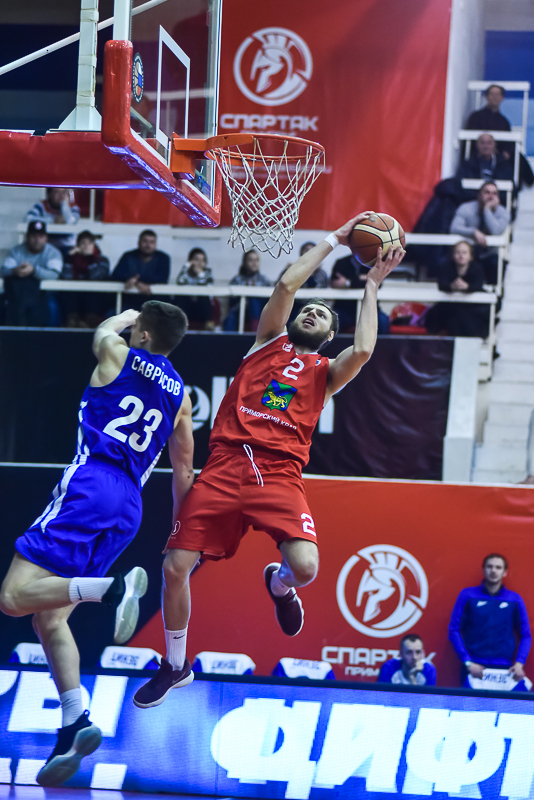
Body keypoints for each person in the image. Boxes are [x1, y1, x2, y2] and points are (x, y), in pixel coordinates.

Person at [133, 212, 405, 708]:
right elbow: (285, 285)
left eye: (322, 315)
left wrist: (371, 285)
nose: (312, 313)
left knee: (305, 567)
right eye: (309, 309)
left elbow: (364, 349)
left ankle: (279, 587)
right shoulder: (266, 342)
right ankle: (174, 665)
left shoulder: (326, 372)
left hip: (279, 474)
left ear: (329, 336)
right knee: (174, 567)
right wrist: (334, 239)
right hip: (224, 466)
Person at [0, 301, 194, 785]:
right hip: (130, 506)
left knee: (11, 598)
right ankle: (74, 723)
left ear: (143, 335)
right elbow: (185, 471)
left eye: (137, 330)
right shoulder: (182, 397)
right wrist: (180, 530)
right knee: (49, 618)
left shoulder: (118, 352)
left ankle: (109, 590)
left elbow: (103, 329)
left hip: (90, 483)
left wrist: (126, 315)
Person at [448, 553, 531, 690]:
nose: (493, 571)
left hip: (505, 669)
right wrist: (467, 662)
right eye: (489, 566)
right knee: (470, 705)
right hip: (474, 667)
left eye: (498, 567)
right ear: (483, 570)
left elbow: (526, 635)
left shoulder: (514, 599)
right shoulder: (467, 595)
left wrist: (519, 663)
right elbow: (453, 630)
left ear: (505, 572)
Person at [465, 85, 534, 188]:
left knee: (518, 159)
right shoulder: (476, 117)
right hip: (480, 153)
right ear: (486, 97)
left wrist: (507, 152)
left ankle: (518, 188)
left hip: (499, 154)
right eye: (492, 94)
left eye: (498, 94)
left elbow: (509, 144)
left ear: (502, 98)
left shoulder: (503, 121)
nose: (495, 97)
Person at [0, 221, 62, 326]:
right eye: (33, 236)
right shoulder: (16, 251)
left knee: (52, 305)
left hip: (45, 294)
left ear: (46, 238)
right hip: (18, 295)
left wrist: (33, 271)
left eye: (40, 236)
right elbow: (3, 271)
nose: (37, 240)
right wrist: (15, 270)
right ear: (27, 237)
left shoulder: (53, 253)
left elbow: (54, 274)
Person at [425, 241, 489, 338]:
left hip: (472, 309)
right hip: (451, 309)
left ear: (470, 256)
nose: (461, 256)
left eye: (464, 253)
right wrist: (452, 286)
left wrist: (467, 287)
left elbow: (478, 285)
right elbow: (442, 284)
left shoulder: (477, 268)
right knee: (451, 318)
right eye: (457, 253)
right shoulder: (446, 267)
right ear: (453, 255)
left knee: (464, 317)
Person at [450, 181, 510, 284]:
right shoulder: (466, 208)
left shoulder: (503, 212)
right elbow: (454, 228)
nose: (491, 196)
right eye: (487, 192)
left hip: (489, 256)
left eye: (494, 193)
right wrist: (473, 231)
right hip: (468, 255)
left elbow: (496, 231)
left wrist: (487, 210)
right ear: (479, 195)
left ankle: (494, 292)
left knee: (496, 263)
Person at [111, 230, 171, 312]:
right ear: (139, 242)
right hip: (129, 302)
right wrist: (137, 283)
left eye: (152, 242)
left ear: (155, 245)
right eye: (145, 241)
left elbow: (162, 279)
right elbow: (115, 275)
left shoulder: (163, 258)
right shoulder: (128, 256)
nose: (148, 245)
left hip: (155, 303)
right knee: (111, 314)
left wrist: (136, 280)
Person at [330, 253, 390, 334]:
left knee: (383, 321)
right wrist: (363, 279)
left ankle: (379, 343)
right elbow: (335, 284)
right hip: (344, 309)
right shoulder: (341, 263)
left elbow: (378, 283)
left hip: (369, 309)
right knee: (332, 321)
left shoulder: (374, 264)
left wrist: (348, 282)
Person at [61, 230, 110, 328]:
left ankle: (89, 323)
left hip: (94, 299)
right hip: (74, 297)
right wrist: (69, 258)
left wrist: (90, 259)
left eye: (89, 243)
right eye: (83, 243)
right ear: (78, 245)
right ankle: (72, 322)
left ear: (94, 244)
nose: (86, 246)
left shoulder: (102, 260)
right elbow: (66, 276)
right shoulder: (70, 259)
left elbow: (96, 277)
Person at [223, 249, 271, 331]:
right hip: (241, 310)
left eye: (256, 260)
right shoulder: (237, 280)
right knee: (231, 317)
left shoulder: (263, 280)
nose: (254, 263)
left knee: (254, 301)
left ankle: (255, 332)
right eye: (251, 260)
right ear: (244, 262)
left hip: (259, 311)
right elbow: (232, 301)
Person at [27, 188, 81, 254]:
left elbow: (72, 221)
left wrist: (64, 205)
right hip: (47, 246)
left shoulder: (72, 206)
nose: (61, 196)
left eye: (64, 192)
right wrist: (52, 220)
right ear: (49, 194)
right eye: (57, 192)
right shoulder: (42, 205)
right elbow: (29, 218)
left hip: (68, 247)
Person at [174, 247, 216, 330]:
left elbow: (205, 288)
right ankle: (178, 324)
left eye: (202, 260)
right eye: (196, 260)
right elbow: (179, 281)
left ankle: (208, 325)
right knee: (179, 296)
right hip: (187, 305)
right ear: (190, 261)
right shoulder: (185, 274)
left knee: (204, 297)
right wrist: (186, 266)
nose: (199, 263)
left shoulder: (208, 274)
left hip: (201, 307)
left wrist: (200, 274)